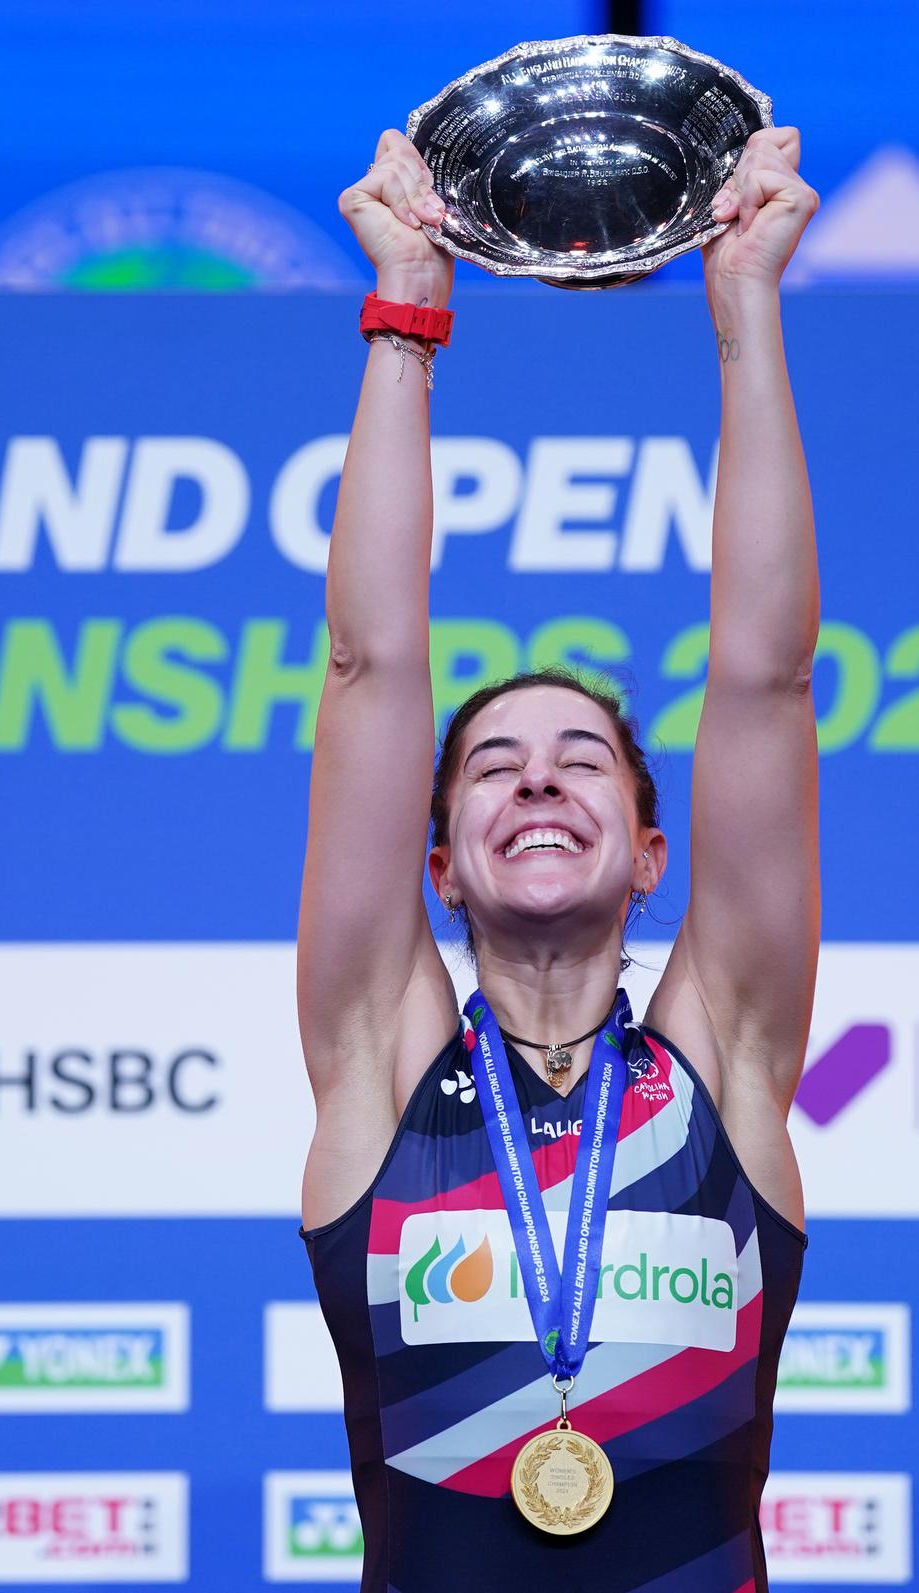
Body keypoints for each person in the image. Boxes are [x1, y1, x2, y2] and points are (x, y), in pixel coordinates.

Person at [297, 122, 821, 1593]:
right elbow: (368, 666)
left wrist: (747, 313)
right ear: (441, 864)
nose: (537, 776)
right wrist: (409, 305)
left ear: (653, 851)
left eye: (583, 758)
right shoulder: (381, 1066)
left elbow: (765, 674)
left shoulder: (728, 1061)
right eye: (493, 766)